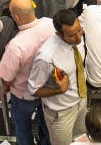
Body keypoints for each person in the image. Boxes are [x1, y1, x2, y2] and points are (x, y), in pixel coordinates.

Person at [0, 0, 56, 145]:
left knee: (22, 128)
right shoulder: (50, 24)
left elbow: (7, 78)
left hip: (24, 95)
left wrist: (5, 89)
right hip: (48, 88)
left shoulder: (16, 45)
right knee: (47, 124)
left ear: (16, 17)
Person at [28, 8, 88, 145]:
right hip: (61, 112)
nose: (79, 37)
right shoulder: (46, 56)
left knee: (81, 141)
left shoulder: (78, 38)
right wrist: (58, 90)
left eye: (79, 30)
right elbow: (33, 90)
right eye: (72, 35)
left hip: (81, 101)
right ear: (59, 34)